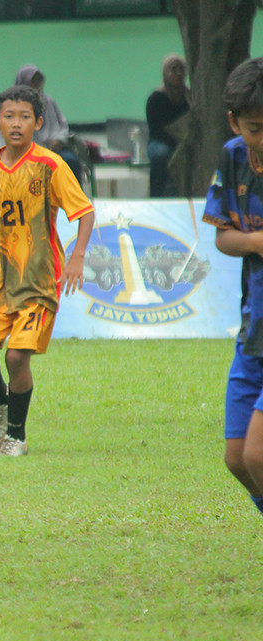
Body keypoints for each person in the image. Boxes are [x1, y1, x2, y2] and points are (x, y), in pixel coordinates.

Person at [0, 84, 95, 457]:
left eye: (25, 117)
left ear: (38, 123)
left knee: (16, 357)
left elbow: (85, 212)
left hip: (40, 280)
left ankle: (17, 437)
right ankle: (1, 401)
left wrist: (77, 257)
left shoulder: (50, 165)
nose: (17, 124)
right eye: (9, 116)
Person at [204, 57, 263, 518]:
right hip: (253, 333)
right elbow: (223, 237)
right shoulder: (231, 156)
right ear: (235, 122)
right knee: (236, 460)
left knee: (257, 456)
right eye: (255, 128)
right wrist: (257, 241)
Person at [14, 65, 85, 186]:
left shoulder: (48, 102)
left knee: (71, 161)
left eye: (38, 81)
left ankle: (75, 201)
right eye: (33, 81)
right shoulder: (13, 106)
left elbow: (62, 126)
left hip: (53, 149)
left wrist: (58, 140)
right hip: (24, 151)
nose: (36, 85)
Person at [145, 55, 190, 198]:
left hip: (186, 140)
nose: (178, 73)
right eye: (173, 69)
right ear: (165, 73)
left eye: (181, 69)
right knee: (161, 154)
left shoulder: (191, 97)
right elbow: (156, 129)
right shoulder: (156, 98)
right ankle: (156, 196)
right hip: (161, 140)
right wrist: (175, 141)